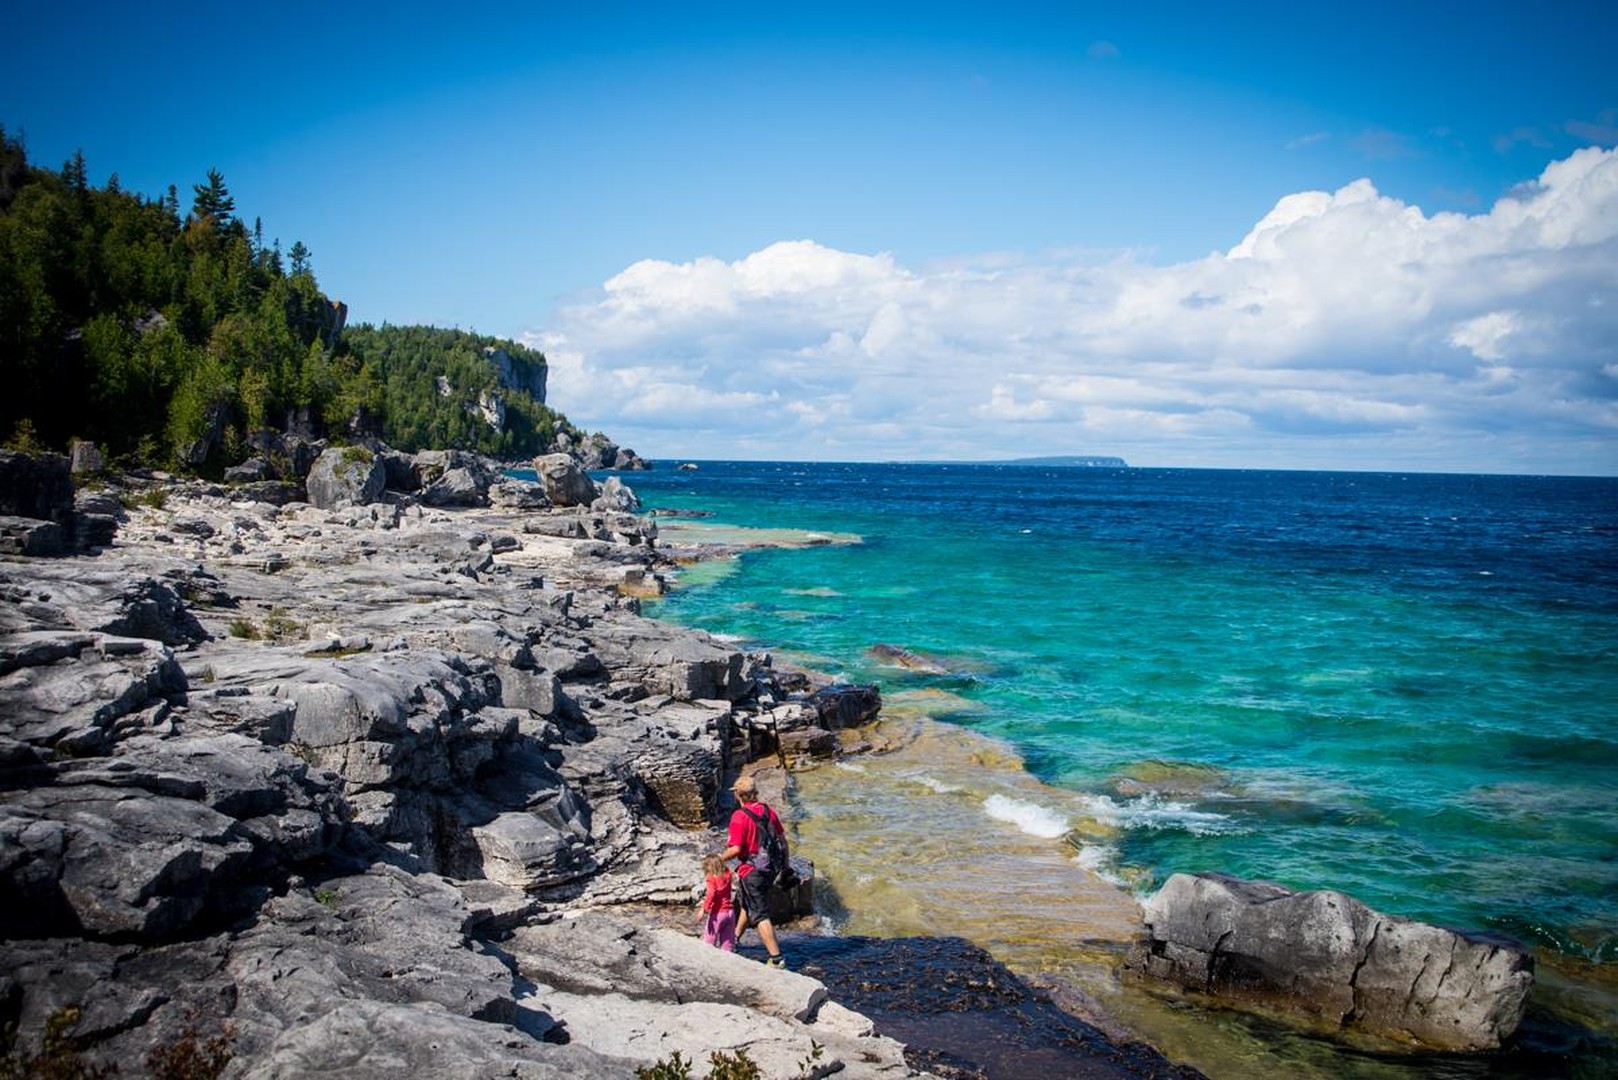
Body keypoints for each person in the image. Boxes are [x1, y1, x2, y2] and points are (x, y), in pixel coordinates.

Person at [718, 774, 787, 968]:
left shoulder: (739, 817)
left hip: (752, 871)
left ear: (738, 795)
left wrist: (717, 859)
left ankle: (776, 959)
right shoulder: (768, 811)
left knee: (760, 914)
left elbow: (736, 849)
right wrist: (785, 865)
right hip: (771, 867)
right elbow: (782, 840)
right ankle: (734, 940)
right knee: (748, 902)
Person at [699, 853, 736, 951]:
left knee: (709, 941)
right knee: (728, 943)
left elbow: (711, 893)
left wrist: (704, 908)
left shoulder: (711, 878)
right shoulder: (728, 875)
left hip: (718, 913)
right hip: (730, 913)